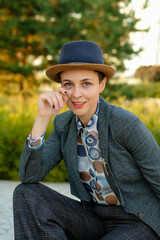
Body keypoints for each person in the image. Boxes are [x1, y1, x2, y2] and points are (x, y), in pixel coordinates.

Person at [13, 40, 160, 240]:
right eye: (68, 85)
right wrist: (42, 118)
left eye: (86, 83)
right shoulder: (63, 125)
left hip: (136, 221)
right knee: (25, 194)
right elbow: (29, 176)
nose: (76, 94)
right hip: (91, 218)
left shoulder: (126, 125)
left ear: (102, 84)